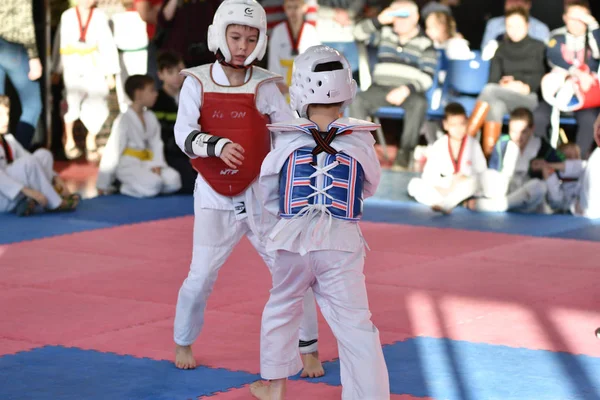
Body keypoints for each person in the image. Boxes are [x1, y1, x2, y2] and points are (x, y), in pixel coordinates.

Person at [172, 0, 323, 377]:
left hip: (258, 194)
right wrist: (217, 145)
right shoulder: (196, 81)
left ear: (260, 41)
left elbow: (287, 132)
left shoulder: (266, 85)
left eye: (250, 38)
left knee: (291, 270)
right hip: (211, 192)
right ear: (219, 34)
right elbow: (182, 133)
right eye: (235, 36)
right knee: (201, 274)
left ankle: (308, 349)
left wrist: (309, 161)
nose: (241, 45)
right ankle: (183, 340)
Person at [249, 45, 390, 400]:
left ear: (300, 89)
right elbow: (370, 184)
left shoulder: (286, 137)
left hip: (290, 239)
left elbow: (268, 190)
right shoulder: (359, 137)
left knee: (281, 307)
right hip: (340, 241)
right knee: (357, 328)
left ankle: (275, 388)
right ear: (348, 89)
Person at [52, 0, 120, 161]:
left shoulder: (100, 16)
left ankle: (91, 139)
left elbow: (107, 44)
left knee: (99, 101)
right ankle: (68, 138)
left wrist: (110, 72)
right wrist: (56, 69)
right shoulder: (67, 16)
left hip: (93, 64)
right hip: (72, 63)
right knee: (70, 101)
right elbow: (59, 43)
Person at [96, 75, 182, 198]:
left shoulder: (150, 116)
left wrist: (157, 165)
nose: (156, 94)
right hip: (128, 165)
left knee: (174, 180)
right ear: (139, 93)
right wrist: (102, 183)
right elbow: (113, 151)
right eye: (152, 90)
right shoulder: (124, 119)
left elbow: (156, 144)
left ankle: (141, 186)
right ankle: (122, 186)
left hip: (147, 162)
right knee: (154, 184)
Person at [468, 107, 564, 213]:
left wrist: (546, 166)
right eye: (513, 131)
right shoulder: (502, 145)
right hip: (506, 190)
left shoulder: (544, 147)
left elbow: (562, 166)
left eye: (523, 132)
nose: (518, 137)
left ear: (532, 129)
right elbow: (494, 172)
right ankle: (502, 204)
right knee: (487, 175)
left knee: (539, 186)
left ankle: (499, 206)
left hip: (530, 199)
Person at [0, 95, 80, 216]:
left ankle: (30, 201)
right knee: (28, 162)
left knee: (44, 155)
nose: (6, 119)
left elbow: (31, 159)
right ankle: (55, 203)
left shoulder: (8, 140)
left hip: (17, 193)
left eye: (7, 114)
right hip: (3, 196)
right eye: (0, 115)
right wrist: (29, 191)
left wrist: (56, 178)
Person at [408, 103, 487, 214]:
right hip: (445, 188)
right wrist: (446, 188)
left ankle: (449, 203)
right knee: (414, 184)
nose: (458, 129)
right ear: (445, 125)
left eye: (462, 124)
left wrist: (464, 177)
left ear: (467, 123)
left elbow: (482, 172)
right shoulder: (439, 145)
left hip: (466, 187)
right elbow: (428, 177)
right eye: (453, 125)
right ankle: (445, 202)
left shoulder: (473, 144)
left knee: (480, 181)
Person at [0, 0, 43, 148]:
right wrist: (33, 55)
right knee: (33, 105)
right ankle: (15, 154)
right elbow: (23, 19)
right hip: (13, 45)